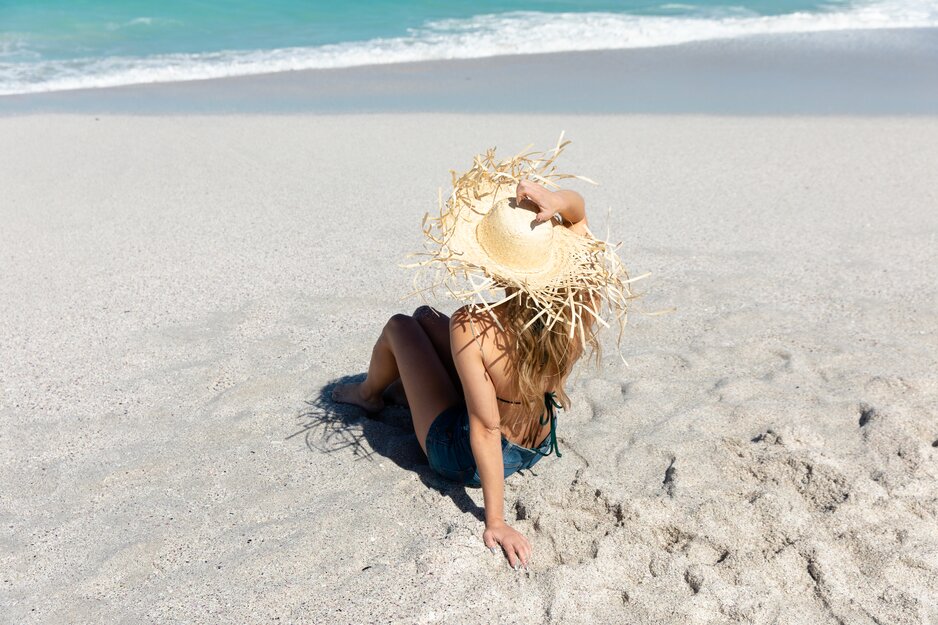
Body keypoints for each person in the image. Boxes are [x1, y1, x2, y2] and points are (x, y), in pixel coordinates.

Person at [332, 140, 629, 571]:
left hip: (465, 456)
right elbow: (579, 213)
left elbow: (486, 428)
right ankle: (403, 388)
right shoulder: (581, 301)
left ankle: (369, 395)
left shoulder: (473, 322)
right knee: (425, 318)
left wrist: (496, 520)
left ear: (496, 266)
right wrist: (556, 200)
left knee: (401, 326)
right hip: (537, 439)